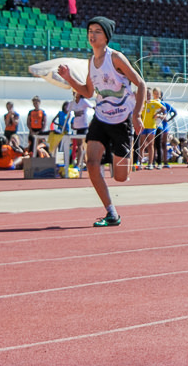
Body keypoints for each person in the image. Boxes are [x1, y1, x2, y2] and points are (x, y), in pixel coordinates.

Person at [58, 16, 146, 227]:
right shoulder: (91, 62)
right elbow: (88, 92)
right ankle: (111, 213)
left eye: (97, 31)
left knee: (120, 178)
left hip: (123, 119)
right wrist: (70, 79)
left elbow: (141, 84)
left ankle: (124, 156)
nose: (92, 34)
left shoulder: (115, 58)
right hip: (101, 117)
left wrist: (137, 114)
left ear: (106, 36)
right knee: (91, 163)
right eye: (90, 30)